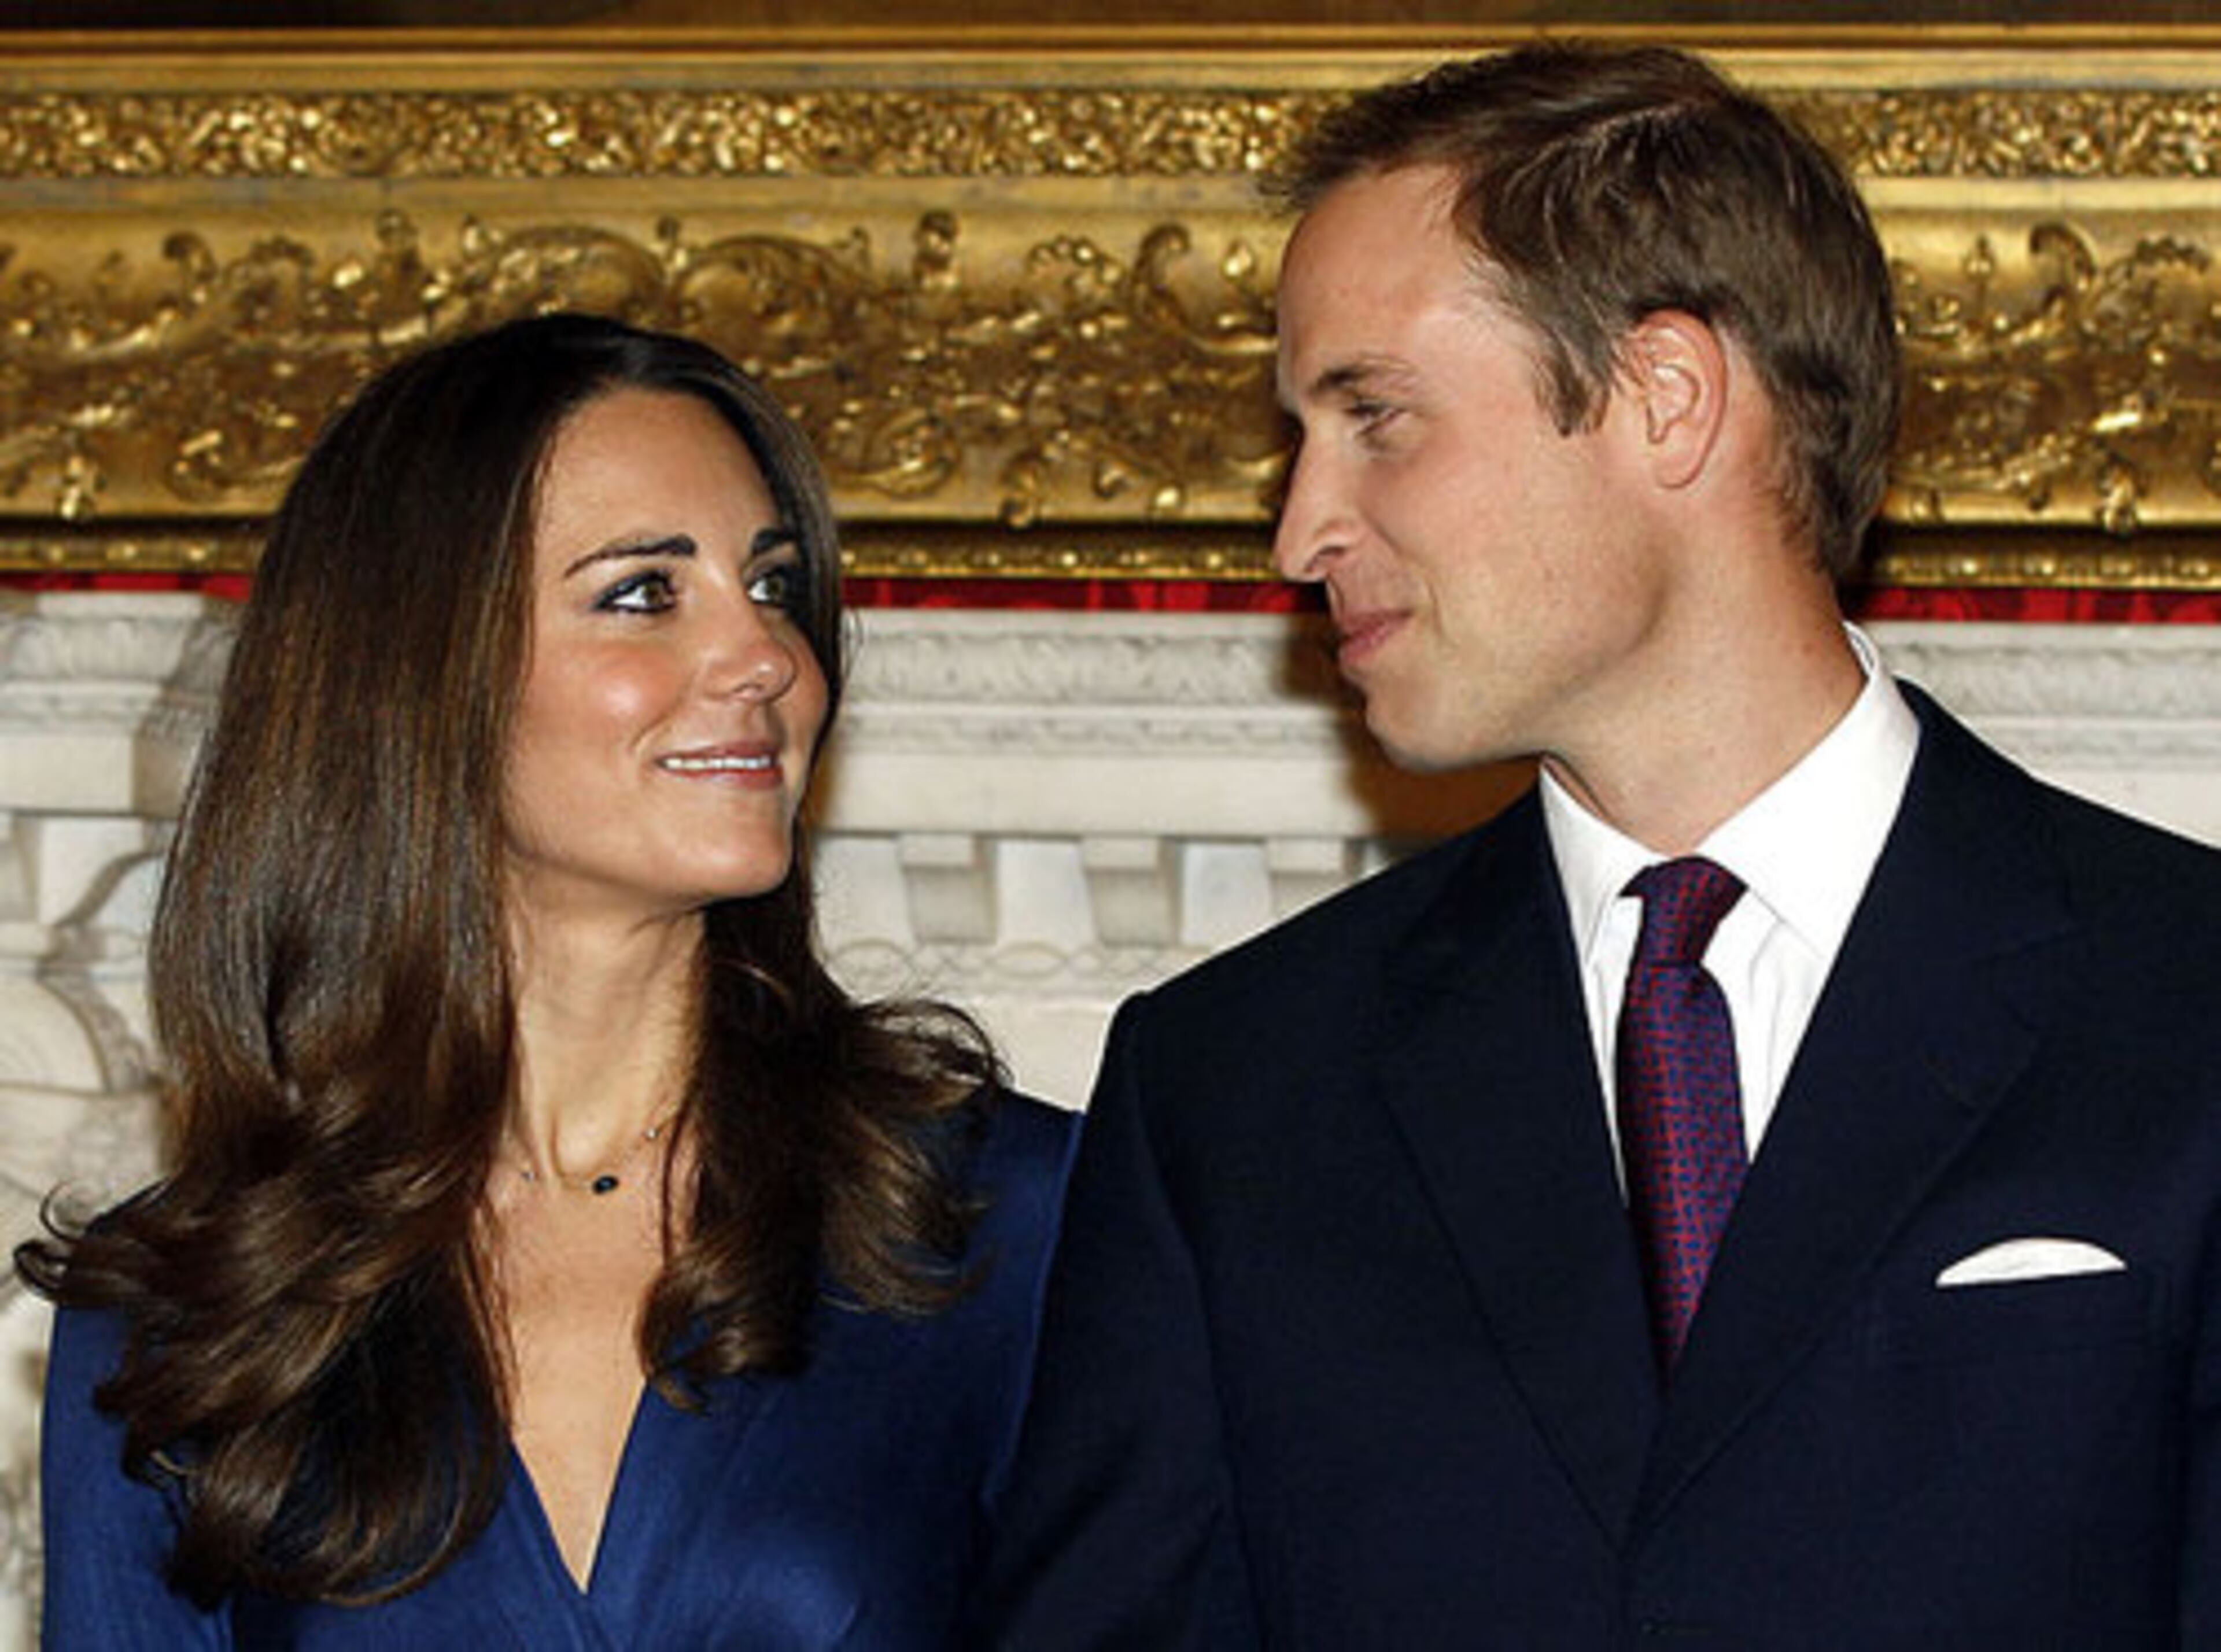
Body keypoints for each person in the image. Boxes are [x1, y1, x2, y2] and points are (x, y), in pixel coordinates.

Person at [983, 42, 2221, 1649]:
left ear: (1666, 398)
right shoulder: (1229, 1094)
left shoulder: (2185, 1006)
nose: (1302, 528)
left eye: (1377, 417)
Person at [21, 312, 1073, 1648]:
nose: (766, 657)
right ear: (420, 674)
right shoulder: (189, 1311)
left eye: (775, 585)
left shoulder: (1007, 1221)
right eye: (644, 592)